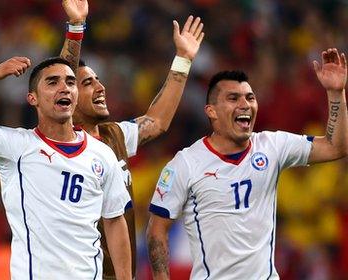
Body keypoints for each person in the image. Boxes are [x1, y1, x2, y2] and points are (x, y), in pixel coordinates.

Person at [146, 49, 348, 279]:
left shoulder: (272, 145)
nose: (245, 104)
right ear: (211, 111)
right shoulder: (186, 163)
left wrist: (335, 93)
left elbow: (335, 147)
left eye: (250, 97)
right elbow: (157, 228)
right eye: (233, 98)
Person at [0, 56, 132, 279]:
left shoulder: (102, 154)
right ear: (32, 98)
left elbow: (114, 220)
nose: (64, 88)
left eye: (71, 83)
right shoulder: (16, 146)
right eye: (53, 82)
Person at [57, 1, 204, 278]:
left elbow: (158, 121)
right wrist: (76, 28)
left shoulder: (114, 135)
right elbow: (56, 79)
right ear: (68, 97)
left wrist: (183, 60)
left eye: (98, 80)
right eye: (87, 83)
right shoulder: (63, 144)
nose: (101, 87)